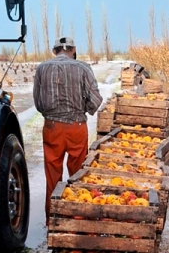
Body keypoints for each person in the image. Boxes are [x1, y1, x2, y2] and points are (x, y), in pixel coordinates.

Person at [33, 36, 103, 224]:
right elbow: (96, 99)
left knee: (52, 174)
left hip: (52, 128)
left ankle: (53, 220)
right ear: (73, 50)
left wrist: (51, 114)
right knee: (78, 174)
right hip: (76, 128)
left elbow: (38, 103)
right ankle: (75, 219)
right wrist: (84, 109)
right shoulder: (83, 68)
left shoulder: (42, 68)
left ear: (55, 51)